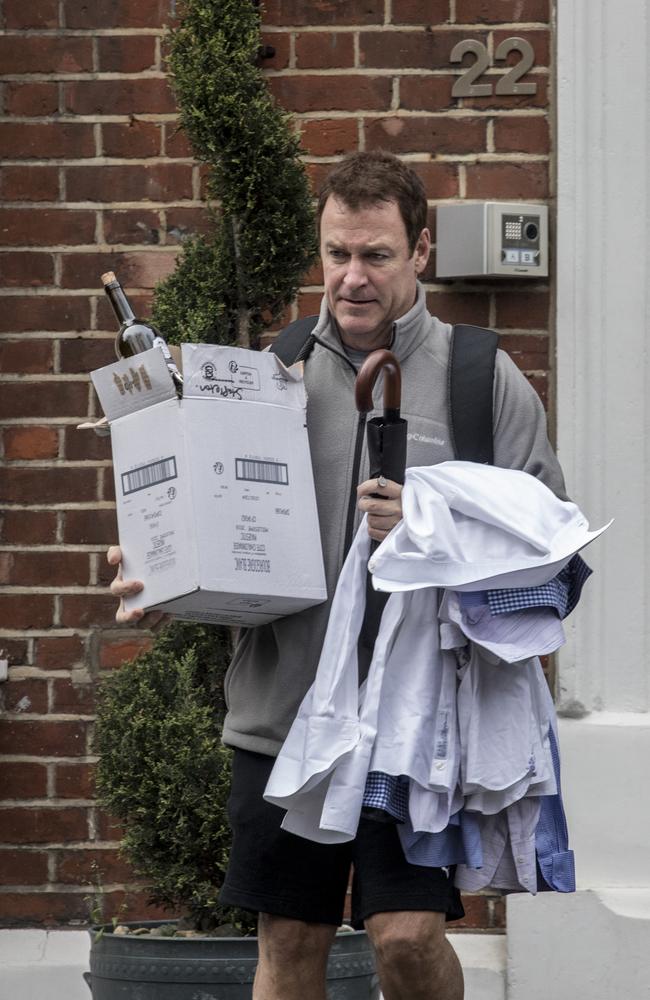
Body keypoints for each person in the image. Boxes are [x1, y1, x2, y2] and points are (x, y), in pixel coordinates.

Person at [109, 151, 566, 1000]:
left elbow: (554, 554)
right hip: (284, 718)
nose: (351, 279)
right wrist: (160, 573)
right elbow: (216, 538)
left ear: (420, 252)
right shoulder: (262, 378)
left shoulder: (479, 379)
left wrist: (433, 528)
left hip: (415, 730)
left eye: (377, 256)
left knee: (406, 938)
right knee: (289, 943)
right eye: (336, 254)